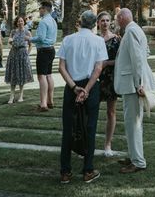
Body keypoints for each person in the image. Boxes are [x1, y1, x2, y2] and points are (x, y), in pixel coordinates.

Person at [58, 10, 108, 184]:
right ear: (95, 24)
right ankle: (88, 170)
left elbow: (61, 67)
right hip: (90, 87)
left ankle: (65, 171)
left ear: (80, 21)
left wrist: (74, 87)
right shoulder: (99, 41)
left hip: (72, 86)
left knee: (68, 129)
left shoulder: (68, 40)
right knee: (90, 127)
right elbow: (98, 68)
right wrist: (86, 90)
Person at [114, 8, 155, 174]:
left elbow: (138, 58)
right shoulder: (135, 29)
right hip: (132, 83)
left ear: (123, 17)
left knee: (133, 123)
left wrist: (139, 83)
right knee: (131, 122)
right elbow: (145, 53)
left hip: (133, 85)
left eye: (117, 18)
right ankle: (133, 156)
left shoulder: (131, 31)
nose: (116, 21)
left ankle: (138, 161)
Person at [96, 11, 120, 157]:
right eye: (102, 21)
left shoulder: (116, 40)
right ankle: (85, 144)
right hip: (94, 79)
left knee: (111, 111)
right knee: (90, 111)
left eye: (107, 20)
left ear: (110, 22)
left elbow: (121, 61)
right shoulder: (94, 39)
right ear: (98, 23)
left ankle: (108, 144)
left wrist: (106, 64)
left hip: (110, 78)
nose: (105, 23)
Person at [30, 1, 57, 112]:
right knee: (49, 75)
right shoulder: (53, 21)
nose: (39, 11)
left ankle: (43, 104)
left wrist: (29, 39)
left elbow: (40, 38)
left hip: (43, 50)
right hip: (51, 49)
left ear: (44, 9)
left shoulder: (43, 22)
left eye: (40, 8)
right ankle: (50, 101)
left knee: (42, 77)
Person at [4, 16, 34, 103]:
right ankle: (11, 96)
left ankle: (21, 95)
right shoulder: (13, 32)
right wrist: (10, 43)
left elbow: (30, 44)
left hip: (22, 54)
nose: (20, 22)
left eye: (21, 21)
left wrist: (27, 53)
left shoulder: (27, 32)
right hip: (13, 54)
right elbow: (9, 43)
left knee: (21, 75)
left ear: (24, 22)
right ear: (16, 23)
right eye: (18, 21)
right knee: (13, 74)